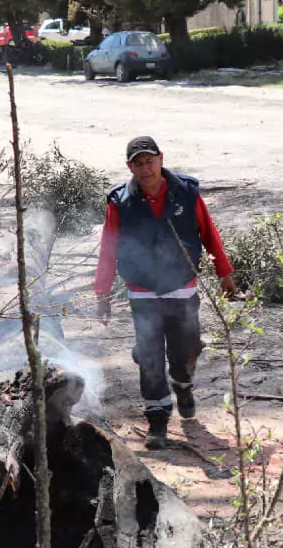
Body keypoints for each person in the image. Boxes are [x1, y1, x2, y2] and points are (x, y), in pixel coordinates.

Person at [96, 137, 237, 449]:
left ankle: (183, 385)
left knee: (185, 349)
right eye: (138, 163)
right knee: (149, 357)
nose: (145, 168)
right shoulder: (120, 201)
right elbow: (108, 247)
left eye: (150, 161)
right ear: (129, 166)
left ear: (160, 159)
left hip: (182, 287)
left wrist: (225, 273)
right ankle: (157, 418)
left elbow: (208, 233)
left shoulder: (186, 193)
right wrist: (101, 294)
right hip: (143, 291)